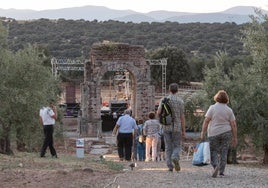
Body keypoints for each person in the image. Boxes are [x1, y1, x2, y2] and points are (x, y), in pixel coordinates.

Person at [201, 90, 238, 178]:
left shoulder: (212, 108)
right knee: (224, 152)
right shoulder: (229, 110)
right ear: (226, 99)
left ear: (217, 97)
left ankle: (215, 166)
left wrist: (203, 132)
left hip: (213, 133)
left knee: (213, 151)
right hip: (226, 132)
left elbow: (206, 121)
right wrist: (235, 137)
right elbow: (233, 124)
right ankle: (221, 172)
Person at [157, 83, 186, 172]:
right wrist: (183, 130)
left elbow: (158, 112)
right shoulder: (180, 101)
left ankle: (170, 166)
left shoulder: (164, 99)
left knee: (168, 146)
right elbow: (182, 116)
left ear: (169, 90)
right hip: (177, 127)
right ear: (177, 90)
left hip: (166, 126)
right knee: (177, 145)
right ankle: (175, 157)